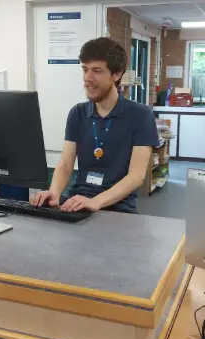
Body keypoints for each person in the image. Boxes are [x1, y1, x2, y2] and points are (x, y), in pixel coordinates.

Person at [31, 37, 159, 214]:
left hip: (117, 208)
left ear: (117, 74)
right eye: (85, 70)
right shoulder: (78, 113)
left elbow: (136, 176)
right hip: (77, 201)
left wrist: (96, 202)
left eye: (97, 71)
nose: (87, 78)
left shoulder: (140, 115)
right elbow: (65, 164)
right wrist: (54, 193)